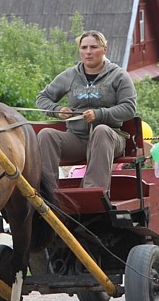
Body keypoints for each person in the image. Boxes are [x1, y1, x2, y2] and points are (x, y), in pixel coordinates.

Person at [36, 30, 136, 193]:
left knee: (101, 130)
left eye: (93, 47)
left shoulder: (119, 76)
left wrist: (100, 114)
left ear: (105, 49)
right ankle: (48, 193)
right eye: (84, 48)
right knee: (46, 135)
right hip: (77, 139)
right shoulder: (70, 75)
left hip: (110, 139)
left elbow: (129, 108)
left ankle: (93, 192)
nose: (88, 52)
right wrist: (57, 110)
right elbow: (42, 98)